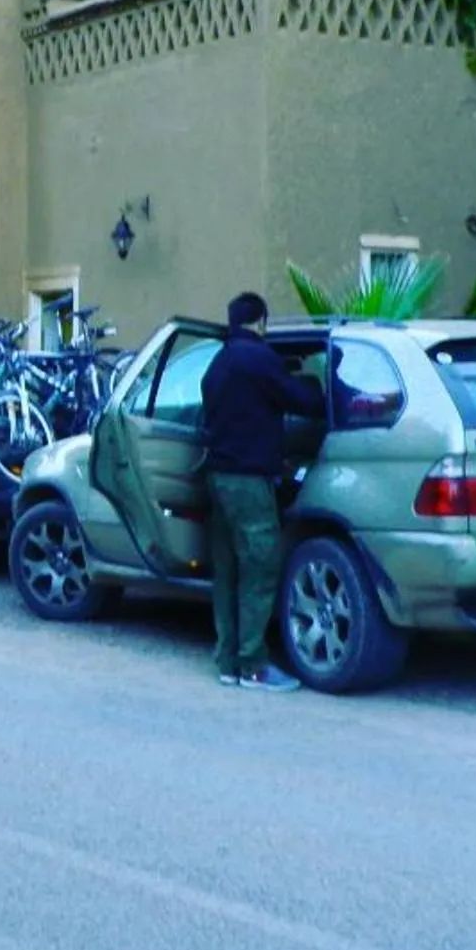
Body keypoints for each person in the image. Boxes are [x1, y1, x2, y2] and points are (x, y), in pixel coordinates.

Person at [202, 290, 303, 692]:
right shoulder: (260, 359)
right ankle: (254, 666)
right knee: (259, 568)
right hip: (249, 481)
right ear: (261, 321)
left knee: (226, 571)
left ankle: (228, 661)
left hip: (216, 478)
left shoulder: (217, 363)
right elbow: (299, 399)